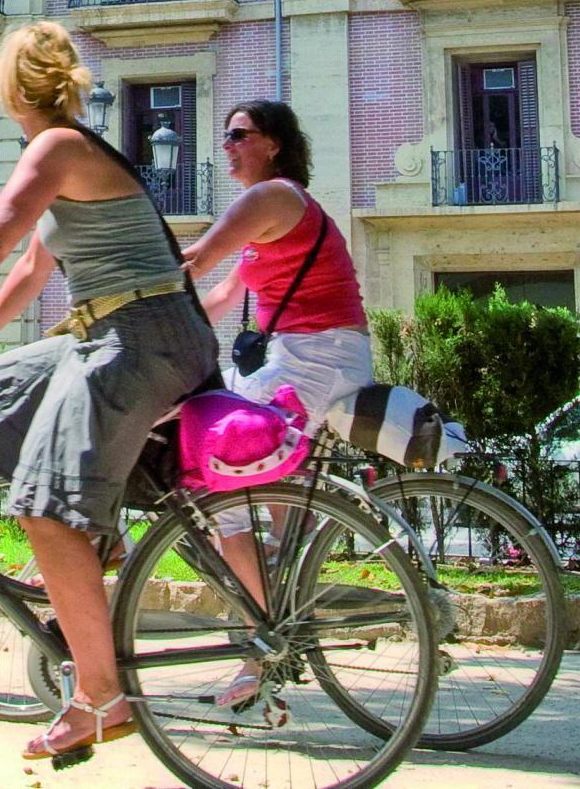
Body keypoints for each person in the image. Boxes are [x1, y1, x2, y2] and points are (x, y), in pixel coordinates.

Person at [0, 22, 218, 765]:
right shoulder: (69, 154)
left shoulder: (56, 146)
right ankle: (98, 527)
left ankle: (101, 694)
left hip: (141, 333)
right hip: (120, 330)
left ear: (12, 89)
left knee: (40, 508)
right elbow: (30, 261)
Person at [178, 98, 371, 709]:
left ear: (274, 143)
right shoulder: (267, 226)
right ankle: (287, 569)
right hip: (310, 355)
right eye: (226, 136)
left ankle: (265, 641)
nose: (228, 146)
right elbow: (215, 294)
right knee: (233, 446)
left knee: (217, 467)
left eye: (240, 135)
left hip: (316, 355)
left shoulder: (272, 198)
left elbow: (194, 261)